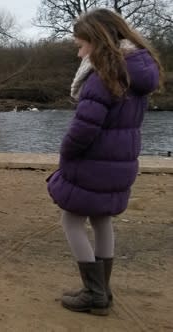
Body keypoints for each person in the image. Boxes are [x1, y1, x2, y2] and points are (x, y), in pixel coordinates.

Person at [46, 8, 163, 316]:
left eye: (80, 45)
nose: (79, 53)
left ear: (96, 42)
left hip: (94, 162)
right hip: (120, 163)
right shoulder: (134, 74)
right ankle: (102, 291)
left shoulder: (102, 77)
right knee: (101, 220)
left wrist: (66, 152)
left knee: (71, 220)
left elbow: (85, 128)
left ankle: (94, 293)